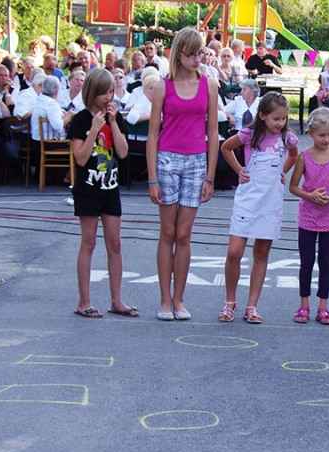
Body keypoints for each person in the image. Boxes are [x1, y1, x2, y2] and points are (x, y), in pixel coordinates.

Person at [147, 27, 219, 321]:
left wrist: (210, 176)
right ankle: (165, 300)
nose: (197, 58)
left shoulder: (209, 85)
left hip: (196, 161)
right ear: (179, 54)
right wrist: (152, 178)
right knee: (167, 232)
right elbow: (153, 134)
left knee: (184, 233)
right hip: (167, 160)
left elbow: (213, 133)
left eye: (200, 52)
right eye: (191, 53)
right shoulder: (162, 86)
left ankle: (179, 299)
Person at [219, 92, 299, 324]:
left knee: (261, 253)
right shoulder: (249, 134)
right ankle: (229, 302)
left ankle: (252, 305)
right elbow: (226, 147)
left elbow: (294, 155)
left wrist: (283, 171)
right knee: (234, 251)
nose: (280, 123)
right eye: (276, 118)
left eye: (284, 118)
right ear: (262, 116)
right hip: (247, 199)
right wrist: (239, 170)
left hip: (270, 202)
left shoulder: (288, 138)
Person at [67, 68, 136, 319]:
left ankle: (116, 300)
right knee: (89, 242)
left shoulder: (114, 118)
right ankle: (84, 301)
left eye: (111, 92)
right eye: (104, 93)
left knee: (115, 243)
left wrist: (114, 123)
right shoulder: (81, 120)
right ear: (92, 93)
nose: (109, 97)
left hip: (110, 188)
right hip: (88, 188)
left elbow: (123, 152)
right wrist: (95, 129)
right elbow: (81, 158)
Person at [288, 107, 329, 325]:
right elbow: (293, 186)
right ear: (310, 134)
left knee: (326, 261)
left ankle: (323, 306)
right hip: (308, 216)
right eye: (322, 135)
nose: (327, 139)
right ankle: (303, 304)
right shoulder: (304, 157)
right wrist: (310, 195)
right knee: (306, 261)